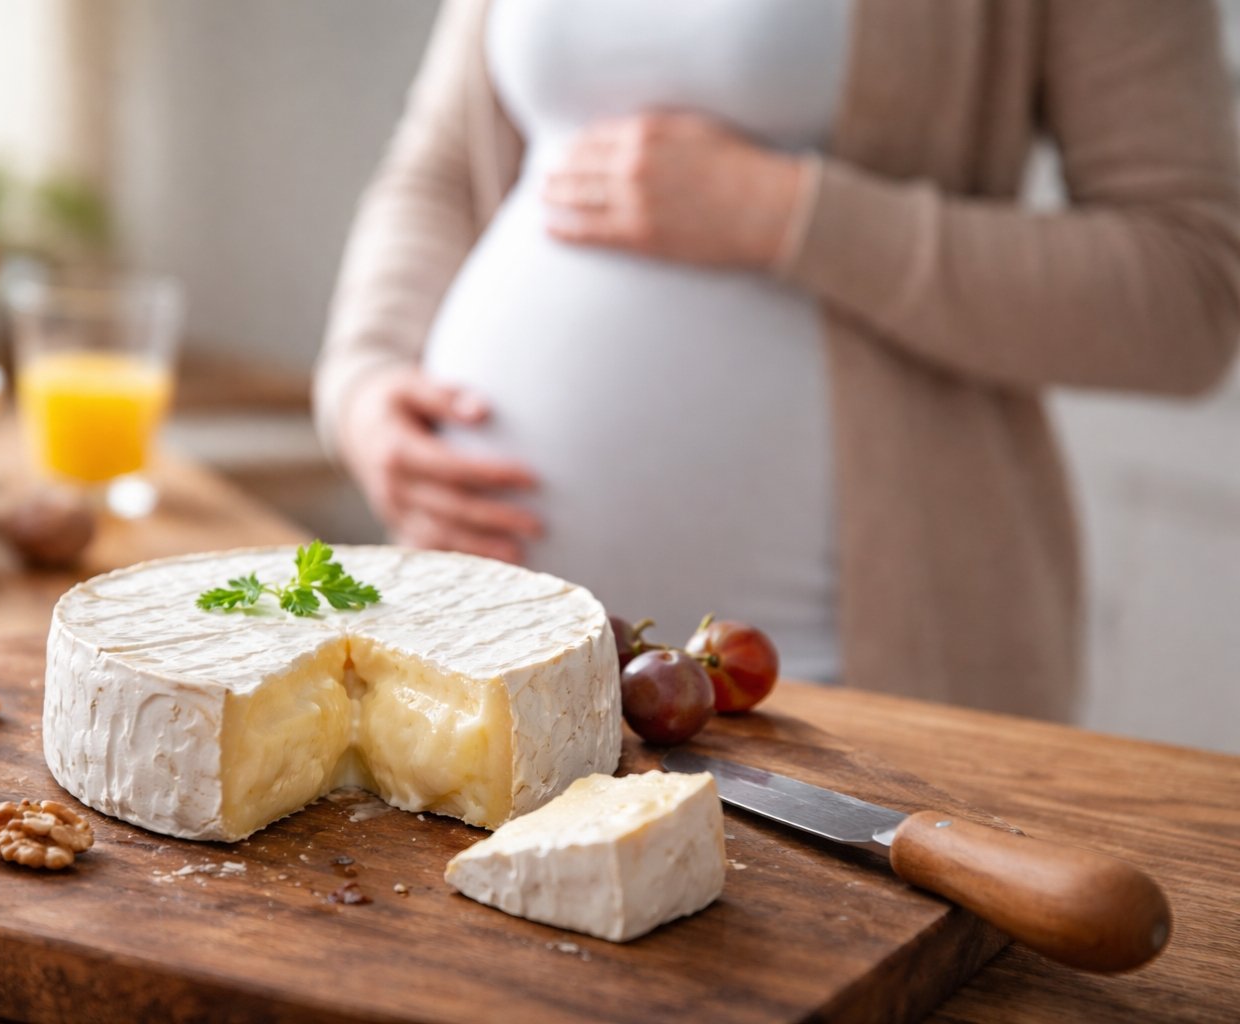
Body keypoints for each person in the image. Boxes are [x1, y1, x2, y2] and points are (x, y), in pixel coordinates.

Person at [313, 0, 1240, 720]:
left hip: (844, 678)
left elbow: (1193, 286)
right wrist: (365, 383)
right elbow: (436, 170)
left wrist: (790, 216)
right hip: (487, 638)